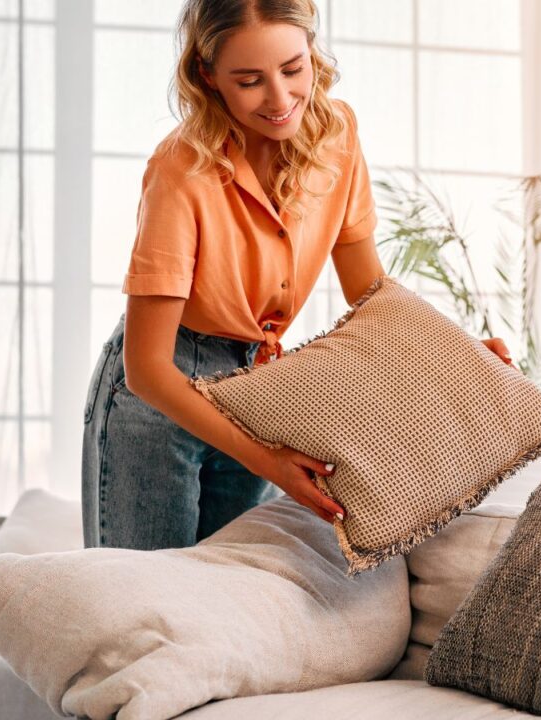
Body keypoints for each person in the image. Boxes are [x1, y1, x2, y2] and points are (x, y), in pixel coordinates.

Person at [82, 0, 513, 551]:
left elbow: (369, 294)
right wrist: (273, 464)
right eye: (250, 81)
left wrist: (453, 354)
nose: (281, 100)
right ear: (208, 77)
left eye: (293, 69)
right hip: (163, 391)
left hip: (262, 380)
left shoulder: (338, 135)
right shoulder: (180, 170)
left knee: (234, 601)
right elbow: (146, 370)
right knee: (139, 603)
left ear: (312, 52)